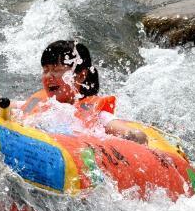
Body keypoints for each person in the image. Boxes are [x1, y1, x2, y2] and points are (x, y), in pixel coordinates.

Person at [17, 40, 148, 144]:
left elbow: (129, 132)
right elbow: (3, 106)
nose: (48, 76)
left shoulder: (96, 114)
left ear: (80, 76)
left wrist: (134, 135)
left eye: (56, 70)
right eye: (45, 70)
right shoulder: (38, 103)